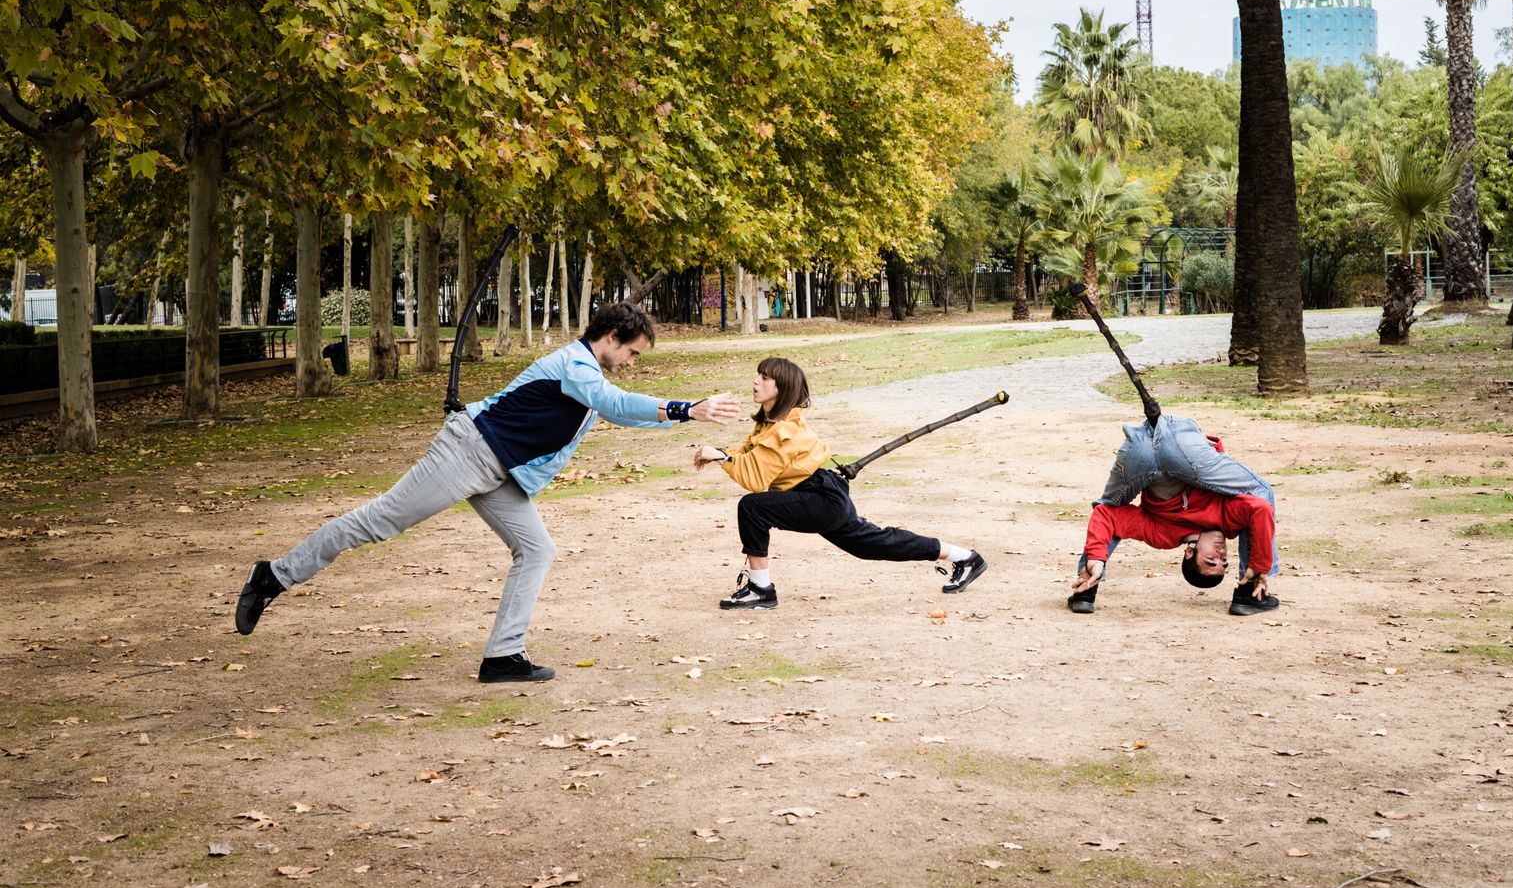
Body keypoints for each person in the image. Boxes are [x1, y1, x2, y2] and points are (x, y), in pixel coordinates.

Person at [235, 302, 741, 682]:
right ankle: (273, 576)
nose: (632, 361)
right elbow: (613, 400)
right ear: (611, 337)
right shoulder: (577, 366)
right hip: (469, 452)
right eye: (631, 352)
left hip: (501, 472)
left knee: (537, 549)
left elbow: (616, 409)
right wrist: (684, 408)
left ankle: (502, 657)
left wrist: (686, 417)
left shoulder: (588, 373)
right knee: (378, 521)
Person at [692, 357, 986, 609]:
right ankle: (965, 557)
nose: (756, 381)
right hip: (821, 492)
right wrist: (723, 454)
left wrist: (719, 456)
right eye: (758, 375)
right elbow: (748, 454)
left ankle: (760, 589)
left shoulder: (784, 430)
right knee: (874, 544)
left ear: (782, 388)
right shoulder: (771, 422)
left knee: (753, 507)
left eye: (765, 377)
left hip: (820, 496)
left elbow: (755, 478)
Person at [1070, 413, 1280, 617]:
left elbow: (1107, 516)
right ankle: (1250, 591)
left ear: (1190, 552)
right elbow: (1259, 510)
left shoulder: (1162, 536)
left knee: (1109, 506)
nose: (1220, 553)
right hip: (1182, 446)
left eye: (1211, 560)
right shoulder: (1228, 519)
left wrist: (1097, 558)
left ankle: (1087, 584)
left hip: (1142, 451)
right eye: (1224, 560)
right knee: (1259, 500)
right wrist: (1259, 565)